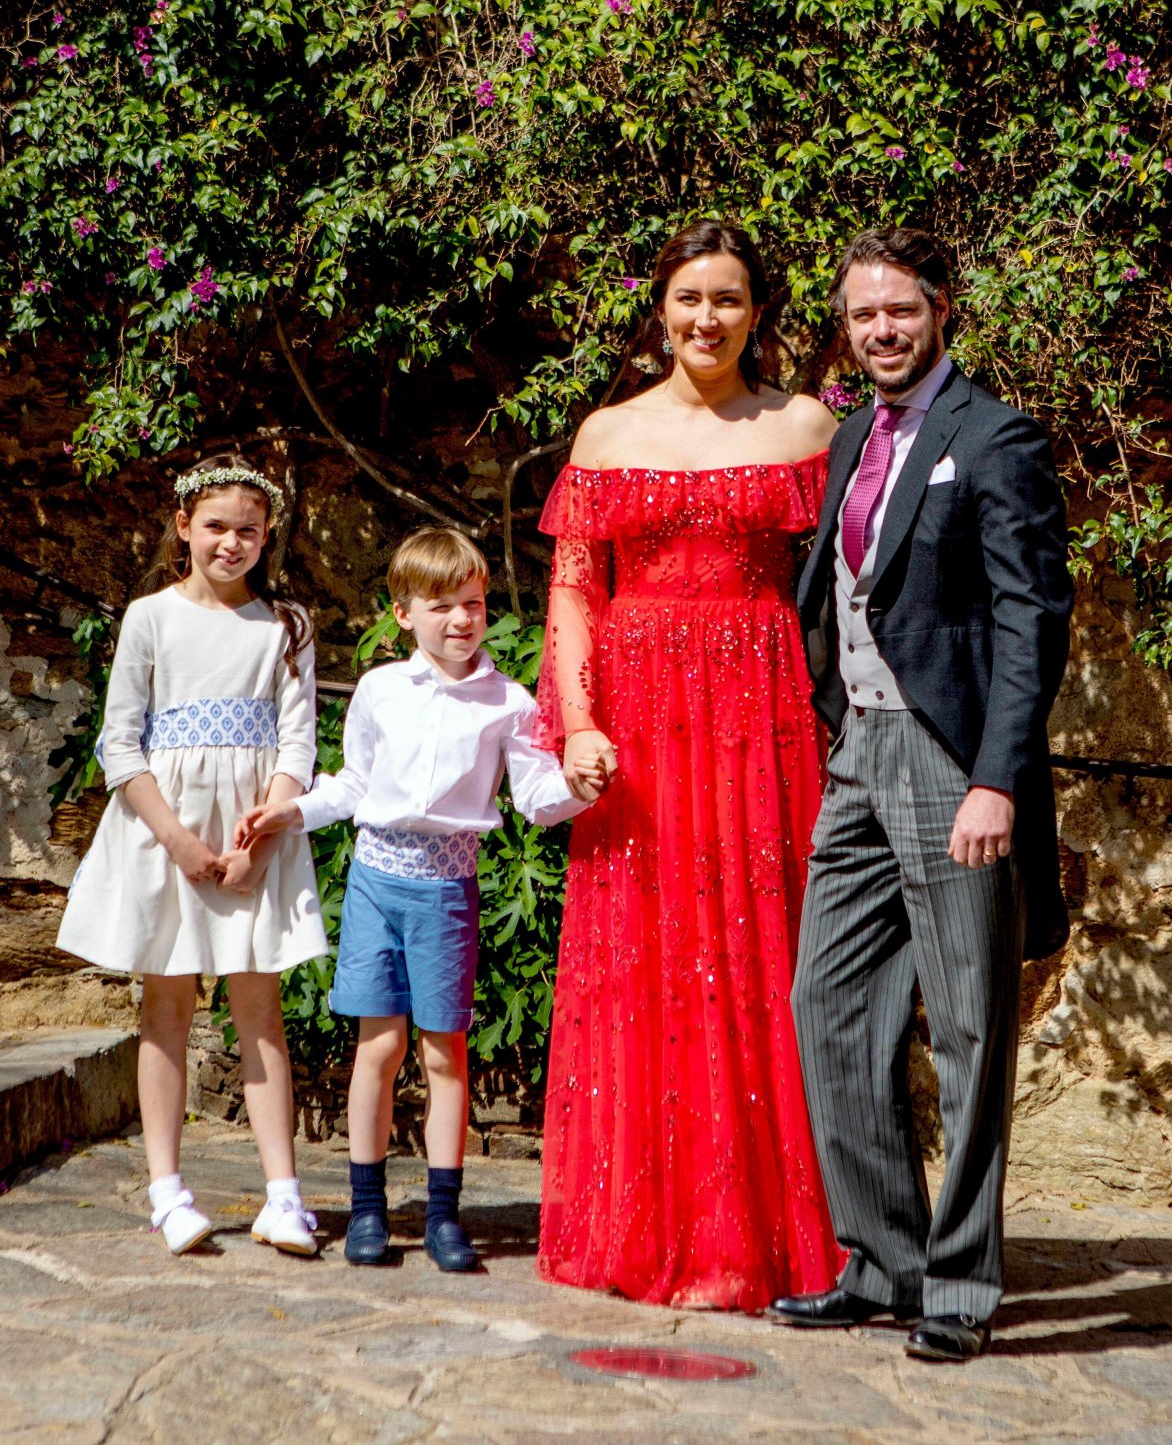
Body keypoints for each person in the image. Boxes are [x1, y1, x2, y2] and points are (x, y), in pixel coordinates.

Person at [771, 227, 1073, 1362]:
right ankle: (879, 1260)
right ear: (845, 327)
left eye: (900, 310)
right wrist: (840, 722)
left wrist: (998, 777)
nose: (882, 330)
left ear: (941, 308)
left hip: (954, 763)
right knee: (829, 1004)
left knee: (968, 1024)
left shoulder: (993, 437)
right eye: (863, 316)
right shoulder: (855, 433)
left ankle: (958, 1284)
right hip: (860, 753)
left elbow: (1027, 618)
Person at [533, 218, 845, 1311]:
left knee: (770, 955)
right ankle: (642, 1228)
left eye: (726, 298)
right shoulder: (607, 434)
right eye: (687, 297)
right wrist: (575, 721)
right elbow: (573, 589)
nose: (704, 317)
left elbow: (861, 579)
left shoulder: (806, 424)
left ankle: (759, 1238)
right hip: (640, 718)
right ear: (658, 308)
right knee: (645, 956)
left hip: (762, 714)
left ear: (758, 313)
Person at [239, 527, 596, 1271]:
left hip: (447, 893)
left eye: (474, 603)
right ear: (404, 613)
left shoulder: (508, 702)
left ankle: (441, 1216)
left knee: (443, 1054)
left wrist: (577, 788)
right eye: (442, 605)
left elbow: (533, 797)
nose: (462, 619)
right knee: (379, 1045)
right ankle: (368, 1210)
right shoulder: (379, 691)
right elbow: (355, 785)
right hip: (375, 882)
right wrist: (290, 810)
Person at [58, 453, 329, 1256]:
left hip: (251, 839)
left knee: (261, 1015)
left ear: (267, 534)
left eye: (248, 529)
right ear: (184, 527)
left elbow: (297, 742)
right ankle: (169, 1193)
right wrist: (175, 838)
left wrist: (261, 837)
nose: (231, 542)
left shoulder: (288, 626)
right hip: (165, 833)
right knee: (166, 1008)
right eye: (215, 526)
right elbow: (121, 741)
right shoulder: (150, 617)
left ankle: (283, 1196)